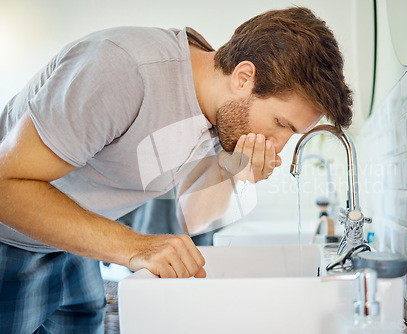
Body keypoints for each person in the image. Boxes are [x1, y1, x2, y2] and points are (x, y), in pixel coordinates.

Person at [0, 6, 353, 333]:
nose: (277, 145)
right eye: (280, 124)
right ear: (244, 77)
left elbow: (193, 217)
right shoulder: (123, 70)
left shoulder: (219, 114)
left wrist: (232, 170)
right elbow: (5, 185)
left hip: (74, 240)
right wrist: (136, 246)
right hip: (11, 239)